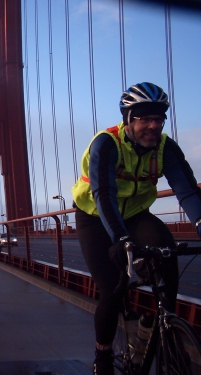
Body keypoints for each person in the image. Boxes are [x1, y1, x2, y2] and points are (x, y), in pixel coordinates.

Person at [71, 82, 201, 375]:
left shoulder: (165, 147)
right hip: (95, 216)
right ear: (129, 120)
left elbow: (188, 191)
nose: (153, 126)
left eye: (158, 119)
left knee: (167, 254)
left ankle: (165, 325)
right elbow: (103, 193)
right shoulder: (106, 143)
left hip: (135, 213)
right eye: (145, 119)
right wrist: (120, 240)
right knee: (111, 289)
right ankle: (103, 355)